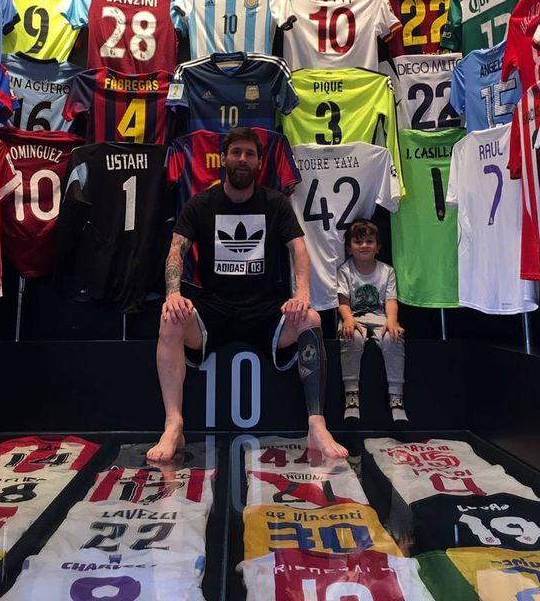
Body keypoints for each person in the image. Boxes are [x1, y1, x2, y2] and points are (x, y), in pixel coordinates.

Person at [147, 127, 347, 463]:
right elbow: (175, 250)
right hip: (215, 307)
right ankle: (174, 424)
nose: (242, 159)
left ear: (259, 162)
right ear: (223, 159)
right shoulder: (201, 203)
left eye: (249, 154)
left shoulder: (276, 203)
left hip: (266, 309)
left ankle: (316, 425)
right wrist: (173, 293)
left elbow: (299, 249)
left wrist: (301, 294)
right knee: (170, 319)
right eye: (236, 152)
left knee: (310, 319)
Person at [337, 219, 407, 423]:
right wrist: (348, 319)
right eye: (358, 242)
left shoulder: (387, 271)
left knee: (393, 338)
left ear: (378, 247)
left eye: (369, 241)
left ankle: (396, 397)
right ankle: (351, 395)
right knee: (352, 337)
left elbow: (391, 300)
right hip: (354, 316)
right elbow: (343, 301)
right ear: (350, 248)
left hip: (380, 316)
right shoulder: (345, 270)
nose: (364, 245)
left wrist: (392, 321)